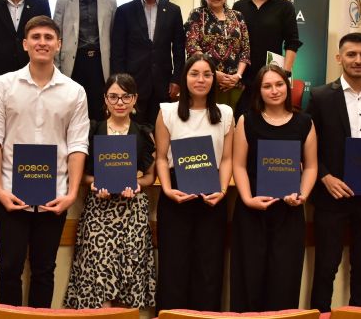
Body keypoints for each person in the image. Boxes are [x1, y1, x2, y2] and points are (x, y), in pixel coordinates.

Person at [0, 15, 90, 307]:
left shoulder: (74, 91)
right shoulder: (3, 86)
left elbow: (78, 144)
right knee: (8, 270)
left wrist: (71, 194)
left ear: (59, 45)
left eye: (48, 37)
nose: (42, 42)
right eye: (37, 37)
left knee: (44, 271)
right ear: (25, 44)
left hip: (54, 196)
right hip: (10, 195)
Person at [307, 33, 361, 312]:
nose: (358, 60)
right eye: (351, 54)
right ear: (339, 58)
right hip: (332, 194)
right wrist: (324, 176)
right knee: (326, 267)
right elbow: (308, 144)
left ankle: (360, 315)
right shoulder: (320, 97)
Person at [64, 73, 156, 309]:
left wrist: (138, 185)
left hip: (132, 213)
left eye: (126, 97)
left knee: (129, 279)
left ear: (134, 99)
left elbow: (150, 176)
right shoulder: (93, 131)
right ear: (105, 99)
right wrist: (93, 183)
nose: (120, 103)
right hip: (99, 212)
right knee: (99, 280)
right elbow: (80, 173)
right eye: (113, 97)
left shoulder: (144, 133)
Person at [230, 64, 317, 312]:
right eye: (267, 86)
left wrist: (302, 195)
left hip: (289, 214)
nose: (274, 90)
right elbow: (239, 166)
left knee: (284, 283)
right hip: (252, 213)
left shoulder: (305, 123)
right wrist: (247, 199)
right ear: (259, 91)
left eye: (279, 84)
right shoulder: (247, 120)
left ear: (287, 87)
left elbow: (311, 167)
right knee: (250, 281)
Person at [154, 54, 234, 313]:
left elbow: (228, 157)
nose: (201, 79)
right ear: (184, 77)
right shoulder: (167, 111)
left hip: (213, 197)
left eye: (207, 74)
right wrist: (166, 189)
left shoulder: (225, 113)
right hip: (176, 193)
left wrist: (222, 191)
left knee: (208, 269)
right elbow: (162, 159)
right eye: (194, 73)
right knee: (174, 266)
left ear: (214, 79)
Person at [111, 0, 185, 125]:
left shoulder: (173, 11)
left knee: (161, 129)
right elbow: (117, 51)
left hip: (164, 84)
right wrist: (120, 83)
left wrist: (177, 79)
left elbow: (179, 49)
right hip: (133, 84)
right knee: (134, 131)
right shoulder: (124, 11)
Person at [232, 0, 302, 118]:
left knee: (270, 122)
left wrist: (284, 75)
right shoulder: (238, 6)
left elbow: (292, 42)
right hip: (244, 79)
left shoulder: (285, 7)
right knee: (242, 122)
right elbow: (233, 43)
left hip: (271, 78)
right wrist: (236, 75)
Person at [54, 0, 117, 121]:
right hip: (74, 64)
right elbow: (56, 37)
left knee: (99, 111)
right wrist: (57, 68)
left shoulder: (110, 3)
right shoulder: (64, 2)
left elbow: (113, 37)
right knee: (72, 110)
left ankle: (96, 146)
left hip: (99, 65)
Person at [184, 0, 250, 110]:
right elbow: (192, 46)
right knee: (207, 119)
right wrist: (212, 73)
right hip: (205, 81)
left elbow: (245, 49)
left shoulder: (238, 16)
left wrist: (237, 75)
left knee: (229, 122)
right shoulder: (197, 14)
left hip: (233, 83)